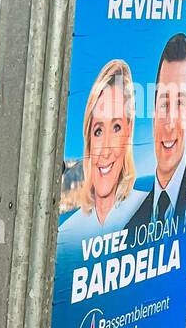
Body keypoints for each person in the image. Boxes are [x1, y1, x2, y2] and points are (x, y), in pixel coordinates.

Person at [125, 34, 186, 238]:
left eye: (180, 103)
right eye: (164, 104)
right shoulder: (131, 228)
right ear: (152, 112)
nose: (170, 122)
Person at [58, 59, 143, 237]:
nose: (105, 150)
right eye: (98, 131)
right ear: (88, 139)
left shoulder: (149, 211)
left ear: (129, 131)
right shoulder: (66, 235)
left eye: (116, 128)